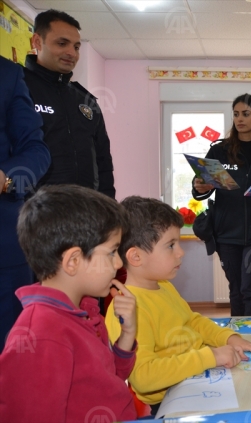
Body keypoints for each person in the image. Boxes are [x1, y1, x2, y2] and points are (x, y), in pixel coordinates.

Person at [105, 196, 251, 414]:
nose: (181, 252)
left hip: (199, 381)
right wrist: (211, 356)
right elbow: (144, 377)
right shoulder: (127, 309)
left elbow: (193, 322)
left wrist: (229, 338)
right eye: (171, 245)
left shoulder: (164, 287)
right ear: (136, 256)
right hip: (170, 401)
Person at [0, 185, 137, 422]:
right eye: (112, 252)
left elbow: (108, 381)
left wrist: (127, 335)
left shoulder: (83, 311)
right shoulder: (42, 336)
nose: (118, 264)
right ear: (73, 261)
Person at [192, 93, 251, 316]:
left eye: (246, 114)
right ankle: (240, 342)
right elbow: (201, 186)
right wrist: (199, 186)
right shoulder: (219, 151)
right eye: (236, 114)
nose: (240, 119)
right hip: (226, 234)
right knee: (236, 290)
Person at [23, 9, 116, 198]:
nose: (71, 53)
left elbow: (103, 163)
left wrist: (109, 208)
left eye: (76, 47)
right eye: (62, 43)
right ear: (37, 42)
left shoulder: (86, 101)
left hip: (87, 211)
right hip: (34, 213)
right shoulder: (18, 89)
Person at [0, 57, 51, 351]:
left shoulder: (7, 74)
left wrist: (6, 178)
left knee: (11, 348)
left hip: (4, 247)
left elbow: (35, 150)